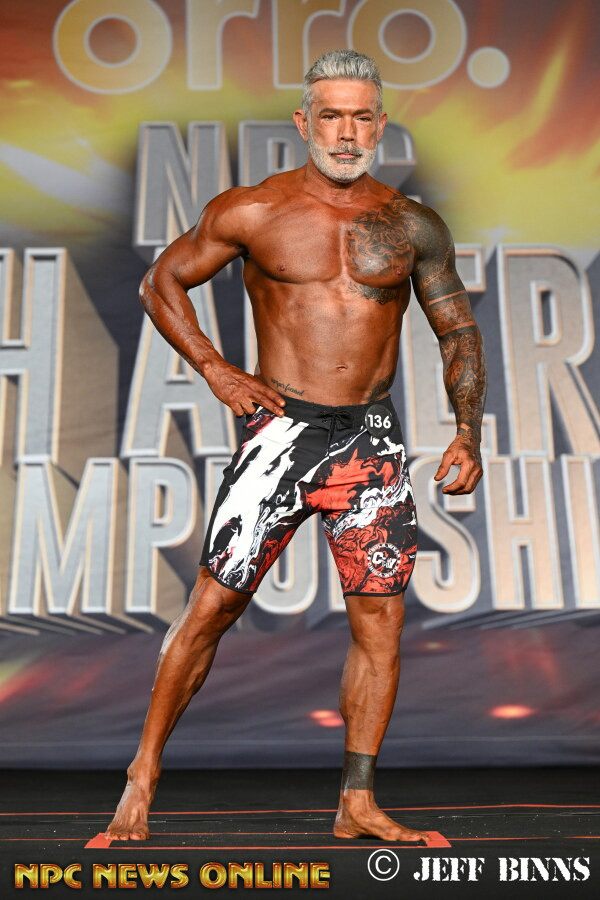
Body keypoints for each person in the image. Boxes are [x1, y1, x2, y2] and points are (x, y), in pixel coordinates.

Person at [106, 49, 486, 844]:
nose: (346, 133)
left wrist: (467, 432)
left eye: (361, 117)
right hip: (282, 433)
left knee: (380, 621)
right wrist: (215, 368)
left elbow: (457, 329)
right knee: (214, 606)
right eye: (331, 115)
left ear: (380, 125)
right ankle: (141, 778)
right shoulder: (255, 209)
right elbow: (161, 282)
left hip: (370, 439)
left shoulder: (412, 224)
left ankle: (357, 801)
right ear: (303, 122)